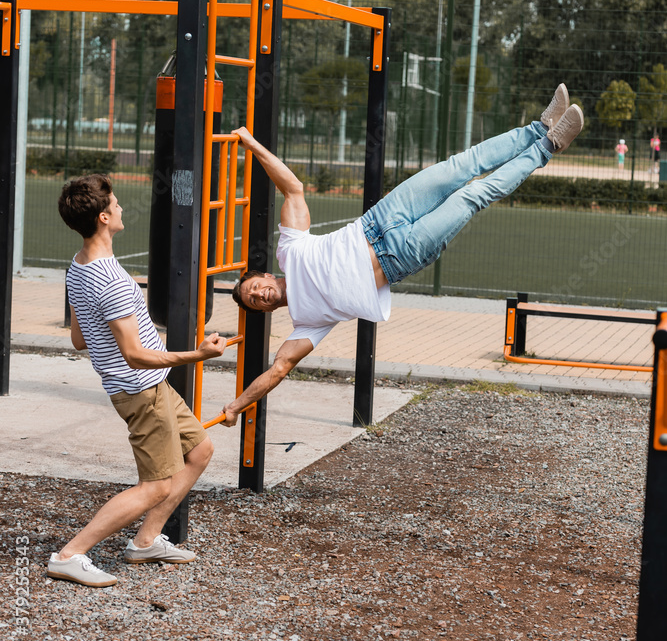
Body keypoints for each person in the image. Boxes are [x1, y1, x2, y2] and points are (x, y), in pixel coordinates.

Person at [220, 85, 583, 427]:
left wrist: (252, 144)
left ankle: (538, 126)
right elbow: (279, 369)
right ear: (267, 311)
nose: (258, 296)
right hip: (401, 256)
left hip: (381, 218)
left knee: (462, 166)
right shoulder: (306, 323)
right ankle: (547, 146)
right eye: (256, 303)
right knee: (473, 196)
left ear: (265, 276)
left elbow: (292, 189)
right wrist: (236, 405)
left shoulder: (289, 249)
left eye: (254, 288)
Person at [51, 174, 226, 587]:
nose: (123, 208)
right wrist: (199, 354)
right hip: (141, 390)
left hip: (152, 386)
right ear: (104, 216)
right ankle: (70, 554)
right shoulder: (108, 279)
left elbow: (79, 339)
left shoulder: (79, 266)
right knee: (156, 486)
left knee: (199, 450)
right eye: (117, 203)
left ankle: (146, 541)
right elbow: (135, 355)